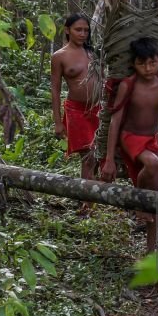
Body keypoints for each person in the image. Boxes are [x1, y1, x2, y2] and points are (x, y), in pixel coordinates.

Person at [100, 37, 158, 253]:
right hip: (130, 138)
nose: (148, 68)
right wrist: (110, 159)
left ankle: (151, 254)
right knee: (153, 163)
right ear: (134, 64)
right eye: (142, 63)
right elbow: (115, 121)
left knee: (155, 199)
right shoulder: (127, 85)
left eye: (152, 63)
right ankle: (138, 201)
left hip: (152, 140)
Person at [51, 14, 101, 192]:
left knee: (97, 155)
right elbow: (55, 90)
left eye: (86, 30)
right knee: (87, 155)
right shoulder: (59, 57)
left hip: (98, 109)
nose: (82, 34)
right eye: (78, 29)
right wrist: (58, 122)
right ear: (67, 30)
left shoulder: (93, 52)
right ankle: (87, 202)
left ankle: (93, 194)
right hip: (77, 111)